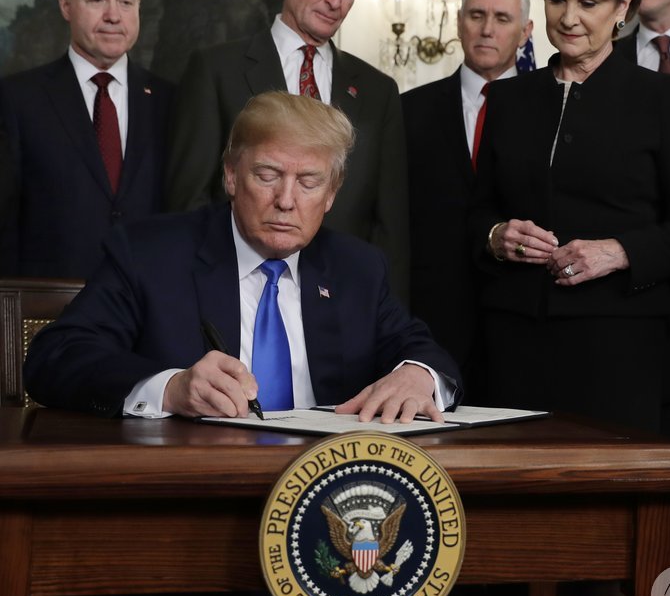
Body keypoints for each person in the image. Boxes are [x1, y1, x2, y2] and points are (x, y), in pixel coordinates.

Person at [469, 0, 670, 596]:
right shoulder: (509, 100)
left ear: (623, 6)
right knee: (518, 560)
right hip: (516, 361)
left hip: (619, 364)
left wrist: (621, 251)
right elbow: (474, 216)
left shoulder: (662, 101)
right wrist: (497, 236)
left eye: (588, 2)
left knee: (611, 565)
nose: (569, 18)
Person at [25, 91, 457, 423]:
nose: (285, 200)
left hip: (323, 484)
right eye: (267, 175)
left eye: (308, 182)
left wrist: (418, 375)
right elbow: (55, 358)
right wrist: (171, 389)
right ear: (231, 175)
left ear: (331, 194)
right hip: (195, 481)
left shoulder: (356, 267)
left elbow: (423, 351)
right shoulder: (150, 255)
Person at [164, 0, 410, 300]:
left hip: (343, 301)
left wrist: (386, 315)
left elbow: (390, 225)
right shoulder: (216, 70)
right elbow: (188, 201)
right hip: (234, 293)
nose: (335, 1)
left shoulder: (379, 92)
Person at [0, 0, 172, 278]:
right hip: (48, 303)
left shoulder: (171, 102)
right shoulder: (17, 99)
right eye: (97, 0)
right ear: (66, 5)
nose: (113, 15)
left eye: (125, 1)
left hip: (149, 299)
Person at [402, 0, 533, 395]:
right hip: (430, 321)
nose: (487, 29)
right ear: (459, 22)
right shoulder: (408, 111)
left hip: (522, 322)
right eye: (476, 15)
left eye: (502, 18)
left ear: (526, 31)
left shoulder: (550, 111)